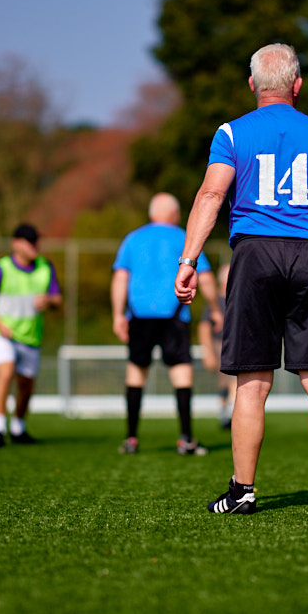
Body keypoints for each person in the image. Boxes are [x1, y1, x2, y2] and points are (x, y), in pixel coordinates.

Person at [174, 42, 308, 517]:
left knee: (251, 381)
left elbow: (210, 195)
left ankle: (242, 491)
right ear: (297, 85)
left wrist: (188, 260)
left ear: (252, 85)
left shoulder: (231, 132)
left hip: (255, 254)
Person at [111, 193, 222, 456]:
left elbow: (120, 278)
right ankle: (186, 439)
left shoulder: (133, 238)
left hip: (139, 316)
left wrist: (117, 315)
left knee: (136, 373)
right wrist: (216, 309)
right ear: (174, 213)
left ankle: (131, 439)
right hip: (174, 315)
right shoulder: (185, 237)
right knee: (181, 373)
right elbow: (205, 277)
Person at [0, 223, 63, 448]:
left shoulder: (45, 267)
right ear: (16, 244)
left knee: (26, 385)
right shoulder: (1, 268)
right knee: (5, 372)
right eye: (29, 242)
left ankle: (18, 428)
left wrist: (48, 300)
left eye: (36, 241)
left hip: (31, 337)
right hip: (4, 335)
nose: (35, 246)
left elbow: (57, 299)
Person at [198, 263, 236, 429]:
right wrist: (208, 352)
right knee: (224, 382)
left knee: (236, 382)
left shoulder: (239, 298)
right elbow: (204, 327)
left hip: (237, 346)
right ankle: (225, 413)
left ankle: (234, 413)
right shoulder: (214, 302)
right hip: (220, 346)